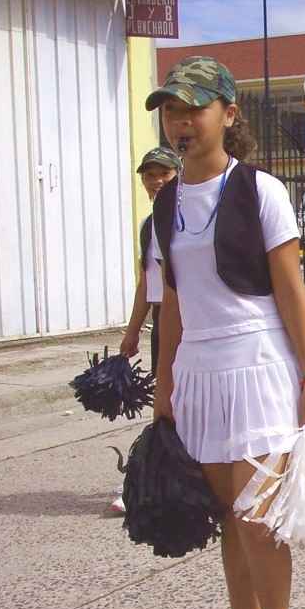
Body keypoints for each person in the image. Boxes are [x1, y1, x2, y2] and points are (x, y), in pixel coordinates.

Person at [149, 56, 305, 609]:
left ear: (228, 114)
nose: (181, 122)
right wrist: (164, 382)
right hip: (199, 372)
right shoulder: (165, 202)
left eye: (193, 108)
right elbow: (172, 302)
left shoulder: (260, 191)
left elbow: (291, 291)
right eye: (172, 110)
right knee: (231, 519)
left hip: (259, 364)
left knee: (258, 519)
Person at [112, 146, 181, 515]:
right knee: (167, 404)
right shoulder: (148, 225)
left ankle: (162, 481)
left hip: (189, 322)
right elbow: (147, 281)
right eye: (149, 175)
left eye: (164, 174)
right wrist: (132, 330)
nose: (156, 181)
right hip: (162, 321)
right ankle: (159, 482)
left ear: (178, 175)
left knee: (180, 404)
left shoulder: (187, 218)